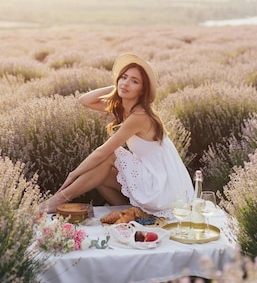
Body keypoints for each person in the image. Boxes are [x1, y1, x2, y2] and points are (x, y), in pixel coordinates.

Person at [43, 53, 194, 218]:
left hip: (163, 188)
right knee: (101, 173)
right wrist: (117, 86)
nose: (126, 83)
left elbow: (103, 152)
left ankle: (57, 200)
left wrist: (73, 175)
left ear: (143, 90)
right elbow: (84, 100)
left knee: (109, 157)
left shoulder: (139, 116)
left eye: (134, 81)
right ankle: (127, 213)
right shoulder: (125, 109)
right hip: (153, 177)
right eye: (124, 77)